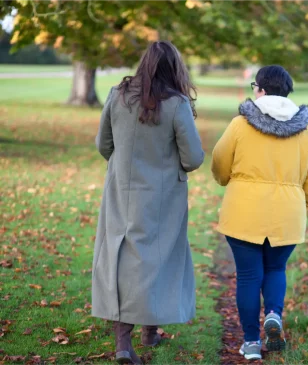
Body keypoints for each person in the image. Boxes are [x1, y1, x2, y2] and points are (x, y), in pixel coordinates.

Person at [92, 41, 204, 365]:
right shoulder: (177, 103)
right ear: (175, 69)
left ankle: (132, 338)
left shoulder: (118, 95)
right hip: (163, 196)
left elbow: (103, 144)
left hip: (120, 191)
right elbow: (193, 157)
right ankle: (138, 336)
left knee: (123, 256)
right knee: (156, 259)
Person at [211, 65, 308, 360]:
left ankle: (250, 342)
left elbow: (220, 161)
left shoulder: (240, 124)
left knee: (248, 276)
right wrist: (305, 203)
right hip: (287, 213)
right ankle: (273, 313)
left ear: (260, 90)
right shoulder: (306, 130)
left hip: (244, 211)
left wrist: (225, 181)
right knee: (275, 269)